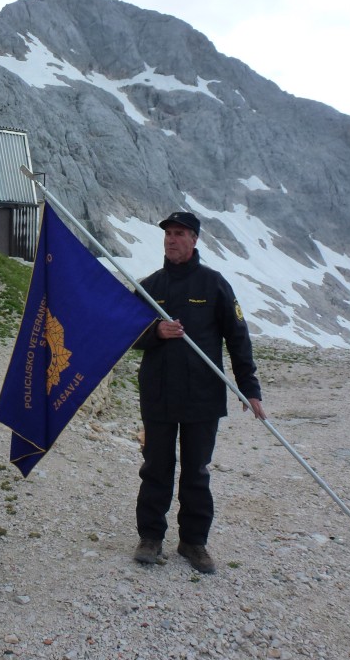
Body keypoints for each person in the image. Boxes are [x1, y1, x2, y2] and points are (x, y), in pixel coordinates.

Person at [132, 211, 266, 574]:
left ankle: (193, 541)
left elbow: (238, 338)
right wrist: (155, 333)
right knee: (156, 467)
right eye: (168, 233)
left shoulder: (215, 284)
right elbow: (126, 334)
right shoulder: (149, 286)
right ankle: (150, 537)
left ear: (194, 239)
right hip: (158, 393)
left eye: (180, 233)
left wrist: (249, 389)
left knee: (196, 471)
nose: (171, 239)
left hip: (203, 396)